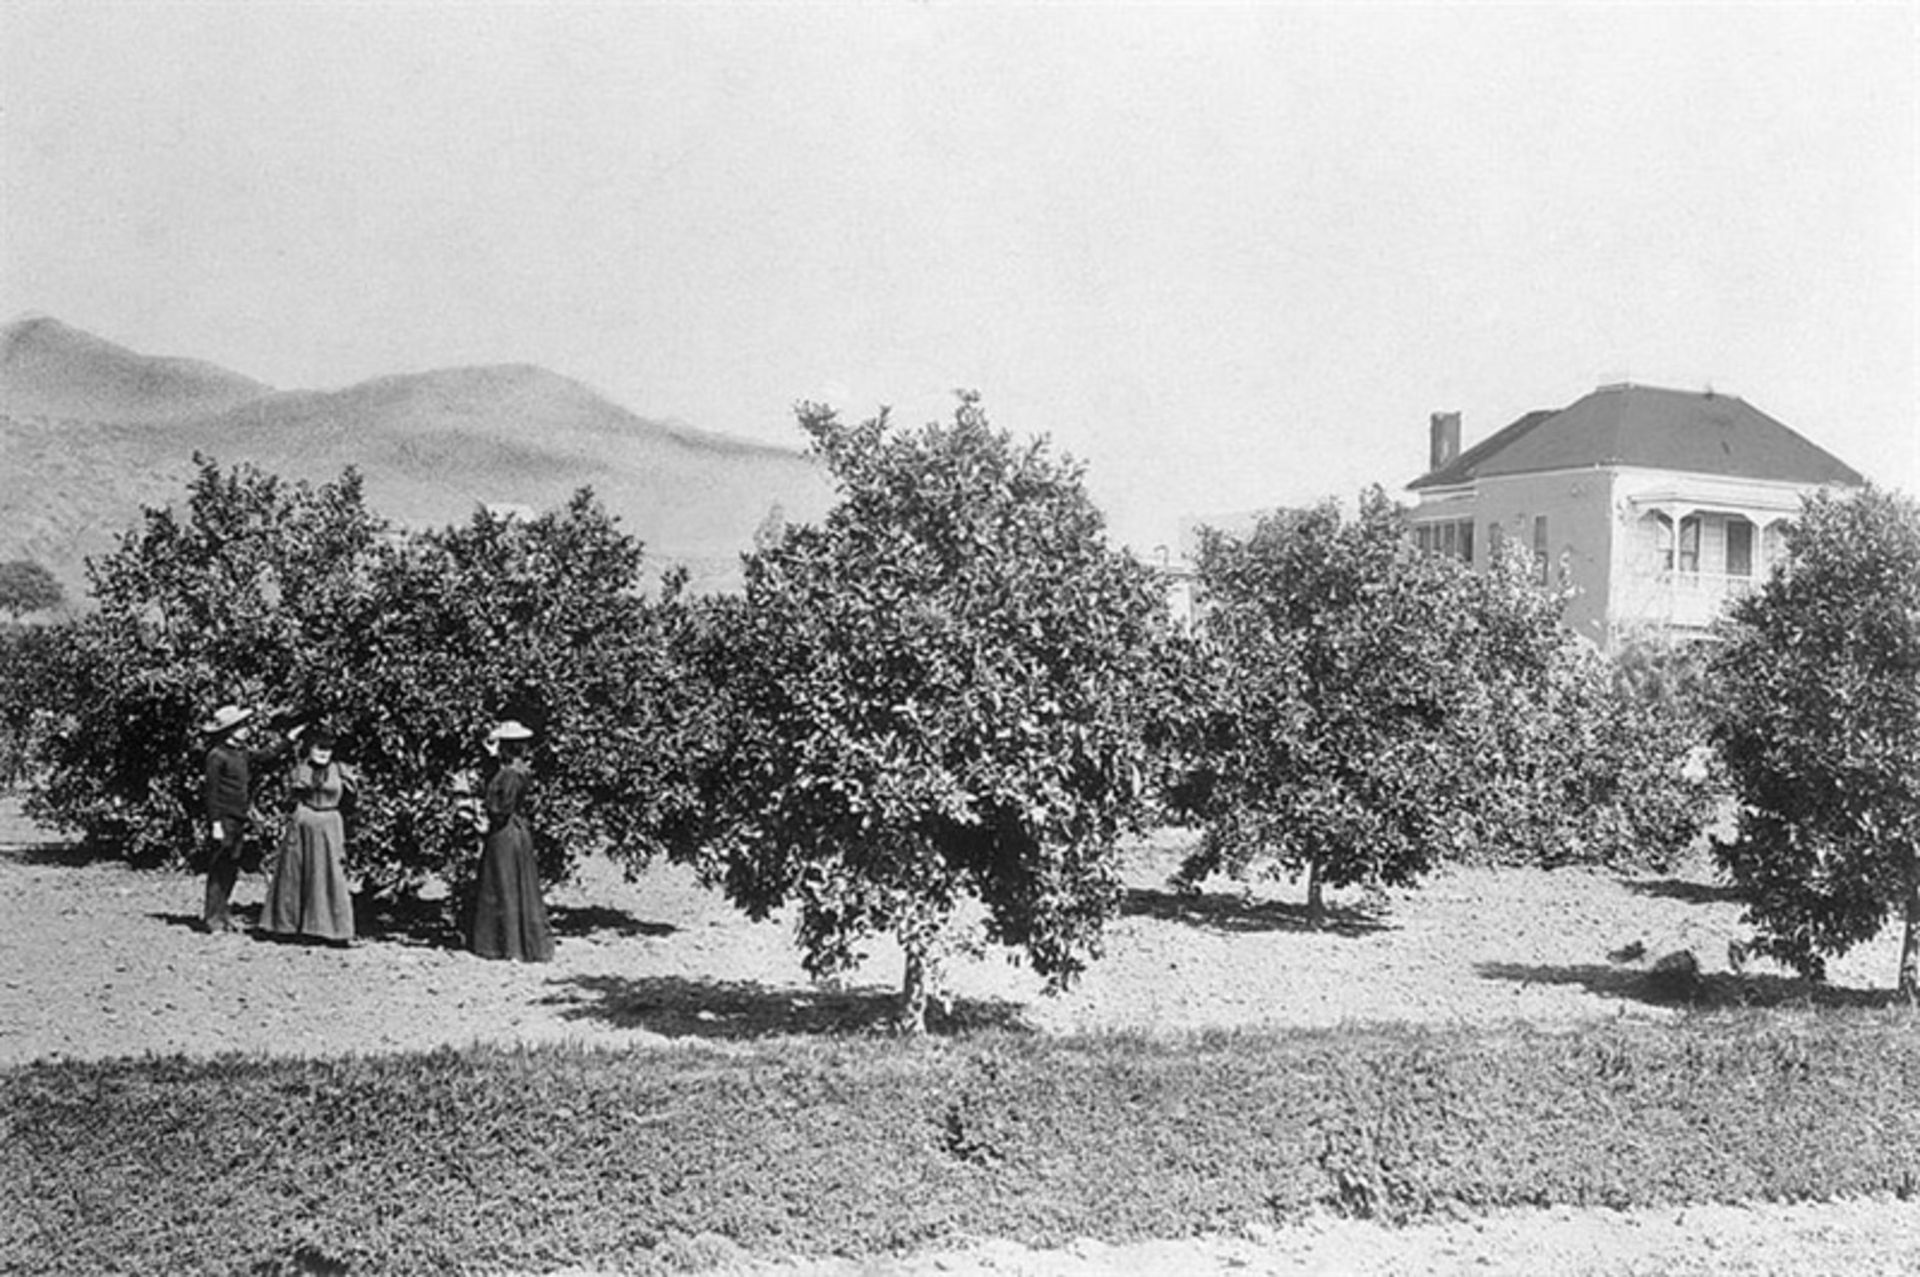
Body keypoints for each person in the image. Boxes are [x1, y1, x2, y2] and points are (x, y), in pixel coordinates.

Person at [261, 723, 358, 945]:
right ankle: (289, 926)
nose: (323, 753)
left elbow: (352, 801)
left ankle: (331, 929)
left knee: (329, 874)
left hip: (330, 825)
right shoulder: (300, 769)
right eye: (318, 747)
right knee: (296, 872)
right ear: (309, 748)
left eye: (327, 748)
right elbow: (290, 796)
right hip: (304, 822)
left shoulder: (341, 770)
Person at [466, 720, 554, 962]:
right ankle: (514, 945)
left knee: (503, 885)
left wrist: (485, 819)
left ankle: (506, 946)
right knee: (513, 885)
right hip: (515, 832)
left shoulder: (509, 774)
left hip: (504, 833)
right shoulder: (518, 769)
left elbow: (500, 805)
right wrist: (492, 756)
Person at [199, 703, 280, 934]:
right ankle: (212, 919)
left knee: (231, 868)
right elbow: (211, 793)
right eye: (241, 726)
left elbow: (265, 756)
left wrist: (290, 738)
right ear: (230, 730)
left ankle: (223, 915)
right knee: (219, 868)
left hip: (238, 818)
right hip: (224, 819)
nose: (246, 729)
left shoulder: (241, 752)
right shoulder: (217, 756)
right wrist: (215, 824)